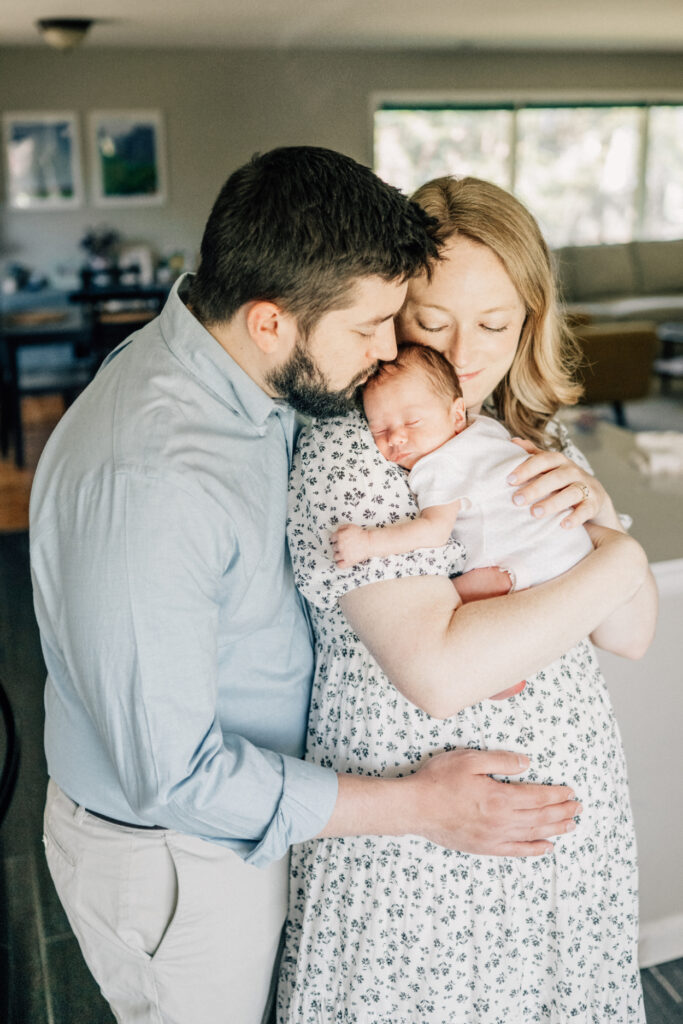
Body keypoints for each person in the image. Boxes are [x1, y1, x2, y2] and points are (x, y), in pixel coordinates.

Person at [28, 149, 615, 1024]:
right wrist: (422, 808)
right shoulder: (151, 477)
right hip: (182, 853)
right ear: (270, 321)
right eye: (373, 326)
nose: (395, 354)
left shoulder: (242, 373)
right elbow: (171, 776)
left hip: (268, 809)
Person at [278, 176, 657, 1022]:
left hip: (562, 839)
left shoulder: (533, 440)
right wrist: (618, 550)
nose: (467, 355)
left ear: (529, 320)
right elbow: (440, 675)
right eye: (432, 324)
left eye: (494, 324)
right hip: (427, 854)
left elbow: (629, 634)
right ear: (389, 318)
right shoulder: (365, 451)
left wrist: (592, 512)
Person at [331, 341, 593, 591]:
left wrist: (367, 543)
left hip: (530, 565)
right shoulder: (484, 427)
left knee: (444, 604)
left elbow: (433, 532)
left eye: (412, 422)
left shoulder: (438, 464)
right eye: (379, 430)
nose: (395, 437)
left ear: (457, 414)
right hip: (576, 543)